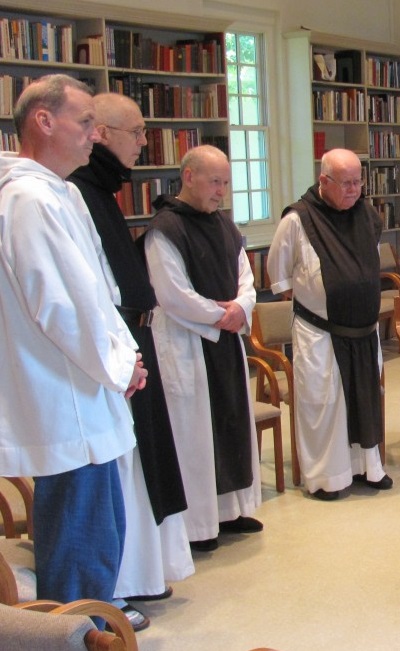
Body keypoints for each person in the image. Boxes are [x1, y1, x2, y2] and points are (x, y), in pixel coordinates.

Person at [0, 74, 147, 606]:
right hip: (68, 396)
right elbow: (60, 307)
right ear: (44, 120)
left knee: (100, 530)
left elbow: (98, 290)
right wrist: (117, 365)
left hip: (89, 386)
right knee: (80, 535)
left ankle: (93, 617)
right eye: (85, 122)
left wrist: (123, 356)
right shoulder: (27, 199)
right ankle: (75, 630)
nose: (95, 135)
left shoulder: (61, 194)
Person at [69, 92, 192, 630]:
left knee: (143, 465)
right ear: (100, 132)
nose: (145, 141)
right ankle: (113, 586)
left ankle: (140, 574)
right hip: (113, 352)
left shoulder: (100, 188)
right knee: (118, 471)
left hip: (132, 342)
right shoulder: (75, 191)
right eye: (137, 132)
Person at [145, 144, 262, 552]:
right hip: (187, 343)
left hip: (224, 342)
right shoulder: (165, 228)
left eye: (226, 183)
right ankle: (199, 524)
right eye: (215, 182)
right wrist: (221, 316)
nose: (221, 192)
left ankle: (231, 511)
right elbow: (172, 292)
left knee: (231, 423)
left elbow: (246, 276)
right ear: (189, 176)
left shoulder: (225, 226)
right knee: (195, 433)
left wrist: (241, 306)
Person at [268, 148, 392, 501]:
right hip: (320, 331)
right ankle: (326, 477)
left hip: (364, 333)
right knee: (325, 405)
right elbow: (280, 277)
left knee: (365, 400)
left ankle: (368, 467)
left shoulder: (368, 215)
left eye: (358, 182)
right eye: (346, 183)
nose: (354, 190)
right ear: (324, 181)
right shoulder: (298, 219)